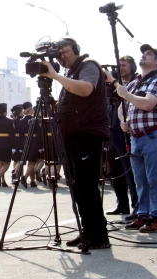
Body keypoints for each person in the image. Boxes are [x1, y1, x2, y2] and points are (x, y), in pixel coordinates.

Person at [41, 37, 110, 249]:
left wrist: (55, 75)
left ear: (76, 50)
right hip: (72, 135)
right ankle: (87, 231)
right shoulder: (70, 74)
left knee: (87, 186)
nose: (62, 56)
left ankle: (99, 236)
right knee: (77, 187)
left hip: (87, 134)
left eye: (65, 51)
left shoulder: (88, 66)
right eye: (58, 53)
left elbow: (86, 89)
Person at [112, 44, 157, 233]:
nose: (144, 55)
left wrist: (126, 94)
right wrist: (122, 121)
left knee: (155, 179)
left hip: (153, 135)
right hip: (136, 137)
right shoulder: (135, 82)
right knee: (140, 181)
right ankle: (142, 214)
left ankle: (155, 218)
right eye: (143, 53)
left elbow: (148, 104)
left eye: (149, 54)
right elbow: (122, 106)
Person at [104, 56, 138, 216]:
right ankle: (122, 204)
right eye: (119, 65)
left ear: (133, 67)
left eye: (124, 65)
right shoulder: (113, 87)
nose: (121, 68)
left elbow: (130, 98)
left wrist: (114, 83)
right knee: (115, 171)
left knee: (129, 171)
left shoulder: (136, 83)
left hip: (126, 133)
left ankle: (138, 206)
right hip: (112, 131)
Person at [16, 102, 43, 188]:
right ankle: (25, 177)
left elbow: (20, 135)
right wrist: (41, 146)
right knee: (32, 163)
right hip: (34, 142)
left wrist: (20, 146)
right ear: (30, 109)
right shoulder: (36, 120)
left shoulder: (21, 121)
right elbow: (39, 133)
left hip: (25, 142)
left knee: (29, 162)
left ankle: (32, 181)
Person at [0, 103, 16, 187]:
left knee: (1, 163)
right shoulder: (9, 121)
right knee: (7, 163)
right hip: (7, 143)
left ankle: (3, 181)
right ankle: (0, 175)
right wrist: (14, 146)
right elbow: (12, 135)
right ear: (5, 112)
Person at [11, 104, 24, 168]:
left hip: (14, 141)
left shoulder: (13, 120)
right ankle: (18, 173)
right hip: (21, 140)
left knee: (15, 160)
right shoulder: (22, 120)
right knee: (21, 160)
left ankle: (15, 172)